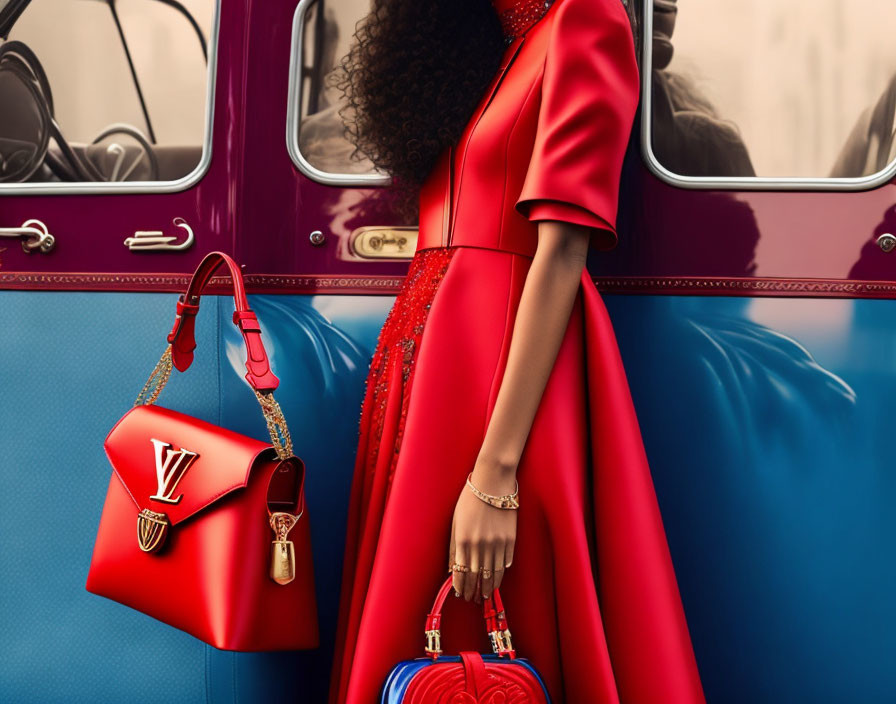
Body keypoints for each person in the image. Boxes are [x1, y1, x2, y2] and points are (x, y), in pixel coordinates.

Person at [326, 0, 706, 701]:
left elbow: (560, 251)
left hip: (501, 367)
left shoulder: (586, 21)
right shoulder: (486, 38)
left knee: (506, 613)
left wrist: (496, 477)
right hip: (433, 363)